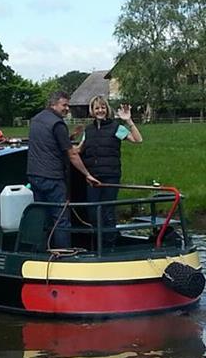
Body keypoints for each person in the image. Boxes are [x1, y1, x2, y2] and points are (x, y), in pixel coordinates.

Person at [27, 91, 99, 249]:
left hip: (34, 175)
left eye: (68, 105)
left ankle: (40, 250)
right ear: (53, 104)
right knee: (61, 217)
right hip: (52, 176)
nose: (67, 108)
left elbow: (47, 143)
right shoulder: (57, 124)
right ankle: (63, 252)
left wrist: (70, 137)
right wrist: (87, 174)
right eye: (64, 105)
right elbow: (72, 154)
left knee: (42, 216)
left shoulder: (36, 119)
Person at [77, 96, 143, 247]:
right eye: (97, 108)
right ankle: (96, 245)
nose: (100, 110)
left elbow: (137, 140)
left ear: (107, 109)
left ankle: (109, 246)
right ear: (92, 111)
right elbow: (80, 148)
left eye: (103, 107)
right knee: (93, 212)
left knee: (107, 212)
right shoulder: (89, 130)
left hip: (110, 176)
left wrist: (128, 121)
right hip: (92, 176)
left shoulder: (115, 128)